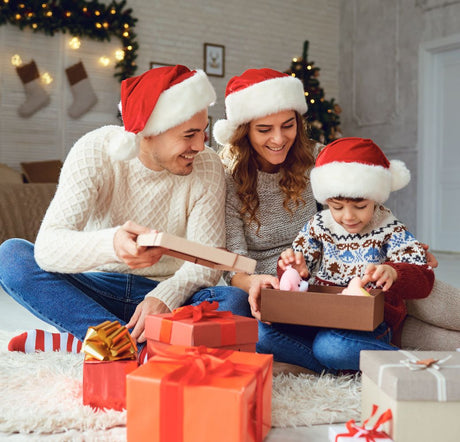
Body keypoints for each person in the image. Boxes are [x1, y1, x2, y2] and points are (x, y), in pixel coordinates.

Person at [0, 65, 249, 359]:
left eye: (204, 131)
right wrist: (113, 245)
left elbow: (207, 260)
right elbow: (48, 248)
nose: (200, 145)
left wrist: (164, 296)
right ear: (147, 133)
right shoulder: (95, 150)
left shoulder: (207, 166)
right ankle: (135, 349)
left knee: (233, 301)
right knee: (12, 256)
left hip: (170, 293)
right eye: (189, 134)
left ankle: (89, 342)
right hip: (100, 286)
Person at [215, 68, 438, 373]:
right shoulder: (227, 175)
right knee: (256, 333)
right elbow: (233, 261)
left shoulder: (319, 159)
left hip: (335, 291)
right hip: (274, 292)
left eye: (288, 125)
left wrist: (407, 258)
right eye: (265, 129)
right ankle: (335, 360)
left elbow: (364, 194)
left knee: (335, 340)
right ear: (244, 131)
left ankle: (323, 358)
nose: (279, 139)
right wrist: (271, 277)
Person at [278, 137, 435, 364]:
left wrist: (394, 272)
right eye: (337, 207)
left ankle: (403, 363)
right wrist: (294, 269)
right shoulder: (318, 224)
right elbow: (293, 275)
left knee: (331, 345)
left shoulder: (389, 227)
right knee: (263, 334)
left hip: (371, 322)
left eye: (360, 207)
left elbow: (424, 278)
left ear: (375, 198)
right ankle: (334, 362)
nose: (349, 216)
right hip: (321, 317)